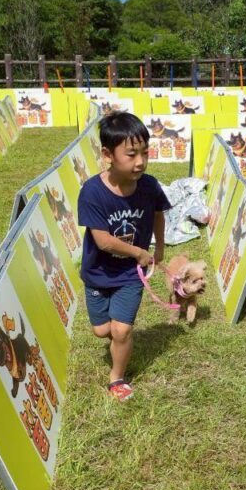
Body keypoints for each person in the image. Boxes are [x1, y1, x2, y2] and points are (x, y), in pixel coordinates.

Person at [78, 112, 171, 401]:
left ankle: (116, 377)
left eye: (145, 152)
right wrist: (140, 251)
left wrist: (159, 247)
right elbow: (103, 241)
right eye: (131, 154)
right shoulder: (92, 192)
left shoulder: (149, 185)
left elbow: (158, 213)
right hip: (97, 272)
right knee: (102, 330)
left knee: (121, 330)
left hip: (131, 274)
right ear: (108, 154)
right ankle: (116, 338)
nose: (140, 161)